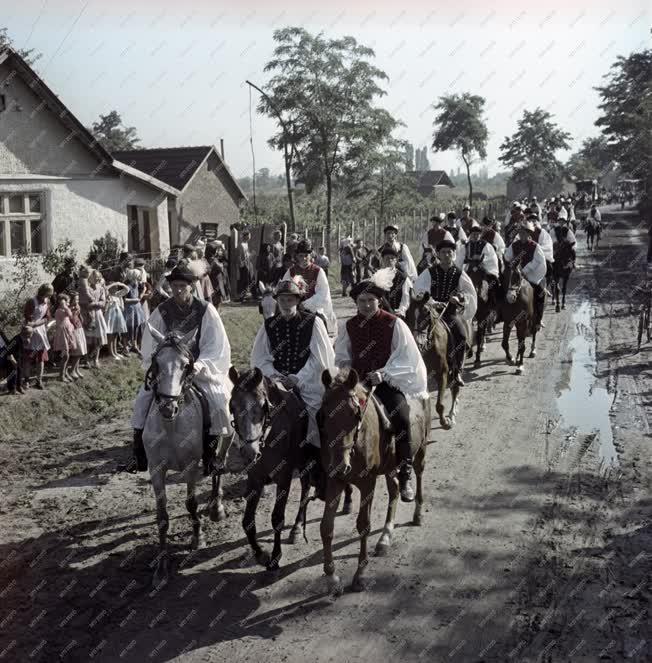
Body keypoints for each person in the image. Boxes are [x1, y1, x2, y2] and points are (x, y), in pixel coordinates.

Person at [334, 267, 429, 502]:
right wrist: (347, 375)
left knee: (403, 417)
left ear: (379, 300)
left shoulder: (394, 324)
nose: (366, 305)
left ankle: (405, 471)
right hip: (357, 385)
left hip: (385, 383)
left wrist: (385, 373)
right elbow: (342, 356)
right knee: (331, 415)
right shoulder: (348, 326)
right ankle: (330, 470)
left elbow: (407, 357)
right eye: (362, 301)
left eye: (371, 301)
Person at [130, 263, 233, 475]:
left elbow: (215, 344)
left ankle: (211, 455)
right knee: (143, 399)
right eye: (174, 286)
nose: (177, 290)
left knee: (218, 403)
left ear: (192, 286)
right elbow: (150, 342)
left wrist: (199, 366)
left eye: (182, 286)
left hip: (197, 368)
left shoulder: (206, 310)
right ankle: (139, 454)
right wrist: (159, 365)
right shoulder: (162, 311)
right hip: (170, 369)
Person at [250, 276, 336, 497]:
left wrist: (297, 378)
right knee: (257, 413)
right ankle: (262, 464)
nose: (286, 303)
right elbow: (260, 359)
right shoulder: (269, 325)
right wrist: (276, 376)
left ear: (298, 300)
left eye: (290, 299)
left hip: (308, 382)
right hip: (277, 382)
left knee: (317, 417)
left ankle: (319, 469)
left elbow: (320, 358)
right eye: (282, 300)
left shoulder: (312, 322)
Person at [414, 240, 477, 388]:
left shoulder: (459, 273)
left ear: (453, 254)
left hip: (450, 312)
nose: (446, 255)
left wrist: (458, 298)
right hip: (431, 310)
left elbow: (469, 293)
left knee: (461, 336)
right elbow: (419, 290)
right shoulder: (429, 272)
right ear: (438, 254)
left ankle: (457, 371)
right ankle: (419, 370)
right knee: (418, 332)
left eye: (449, 252)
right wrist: (432, 302)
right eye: (443, 252)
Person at [283, 239, 337, 335]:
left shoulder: (318, 271)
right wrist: (294, 303)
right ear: (297, 256)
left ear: (310, 255)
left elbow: (323, 293)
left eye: (306, 255)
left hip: (314, 308)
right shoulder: (291, 271)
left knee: (321, 324)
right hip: (294, 308)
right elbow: (284, 289)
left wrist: (306, 304)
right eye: (301, 256)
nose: (304, 258)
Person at [504, 221, 547, 331]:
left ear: (529, 234)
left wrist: (525, 270)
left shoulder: (535, 246)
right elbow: (507, 256)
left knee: (540, 293)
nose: (523, 235)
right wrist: (512, 264)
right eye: (521, 232)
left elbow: (539, 261)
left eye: (525, 233)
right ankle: (500, 314)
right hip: (516, 275)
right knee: (503, 287)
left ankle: (538, 320)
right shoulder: (514, 245)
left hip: (531, 275)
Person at [23, 283, 53, 390]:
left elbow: (47, 317)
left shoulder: (46, 301)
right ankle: (26, 380)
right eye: (47, 294)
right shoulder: (32, 301)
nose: (48, 297)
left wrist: (37, 323)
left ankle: (38, 380)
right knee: (28, 357)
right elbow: (28, 318)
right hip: (30, 332)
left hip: (41, 332)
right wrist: (33, 325)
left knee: (41, 358)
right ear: (42, 292)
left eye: (49, 295)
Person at [465, 221, 500, 307]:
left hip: (483, 268)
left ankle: (493, 302)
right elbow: (461, 258)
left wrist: (482, 261)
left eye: (477, 234)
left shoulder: (486, 245)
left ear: (480, 235)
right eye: (473, 234)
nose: (475, 236)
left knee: (492, 282)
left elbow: (492, 257)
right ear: (471, 235)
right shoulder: (466, 245)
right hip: (469, 267)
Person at [80, 268, 108, 368]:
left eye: (98, 278)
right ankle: (86, 360)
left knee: (98, 339)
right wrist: (94, 305)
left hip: (98, 314)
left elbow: (103, 302)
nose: (97, 279)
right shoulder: (85, 288)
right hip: (88, 315)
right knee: (88, 339)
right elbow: (83, 303)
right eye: (95, 277)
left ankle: (96, 359)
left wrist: (95, 304)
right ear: (90, 277)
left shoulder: (100, 287)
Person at [379, 246, 411, 317]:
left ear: (396, 260)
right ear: (383, 260)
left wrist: (401, 311)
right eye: (387, 258)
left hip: (397, 313)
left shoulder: (403, 278)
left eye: (392, 258)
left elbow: (405, 297)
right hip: (380, 312)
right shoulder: (377, 276)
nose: (390, 260)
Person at [53, 293, 77, 382]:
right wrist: (65, 306)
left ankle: (65, 373)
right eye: (67, 302)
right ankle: (61, 375)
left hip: (67, 332)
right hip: (62, 334)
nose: (68, 304)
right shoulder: (60, 310)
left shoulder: (64, 310)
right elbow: (70, 315)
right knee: (65, 355)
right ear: (61, 302)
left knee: (67, 354)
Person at [0, 327, 30, 394]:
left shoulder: (22, 339)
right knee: (13, 374)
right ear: (27, 334)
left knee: (19, 373)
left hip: (18, 359)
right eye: (31, 334)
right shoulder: (15, 340)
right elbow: (9, 351)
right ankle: (12, 389)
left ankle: (19, 387)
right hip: (11, 360)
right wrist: (13, 361)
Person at [124, 269, 145, 355]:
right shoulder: (128, 286)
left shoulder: (137, 285)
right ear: (133, 277)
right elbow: (124, 299)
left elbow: (141, 292)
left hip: (137, 308)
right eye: (138, 276)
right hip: (130, 309)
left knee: (136, 327)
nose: (139, 278)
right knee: (129, 328)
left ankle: (134, 345)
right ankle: (126, 347)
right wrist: (135, 300)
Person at [105, 282, 129, 360]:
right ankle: (111, 352)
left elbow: (127, 289)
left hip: (117, 315)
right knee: (110, 334)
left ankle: (115, 352)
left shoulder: (117, 294)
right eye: (114, 287)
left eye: (116, 287)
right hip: (110, 316)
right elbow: (105, 289)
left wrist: (120, 284)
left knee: (115, 334)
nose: (115, 289)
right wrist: (113, 284)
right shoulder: (107, 294)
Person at [68, 292, 87, 380]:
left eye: (78, 299)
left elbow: (79, 316)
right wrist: (73, 310)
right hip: (74, 330)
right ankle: (72, 370)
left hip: (79, 328)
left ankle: (76, 369)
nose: (77, 301)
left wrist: (80, 315)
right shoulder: (69, 309)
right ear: (71, 300)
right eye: (75, 299)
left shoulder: (77, 307)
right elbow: (70, 318)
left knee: (80, 351)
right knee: (77, 351)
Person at [237, 228, 256, 302]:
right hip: (244, 264)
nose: (249, 237)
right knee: (244, 281)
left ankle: (251, 295)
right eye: (248, 236)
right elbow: (239, 256)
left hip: (248, 263)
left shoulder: (246, 244)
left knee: (250, 279)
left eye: (249, 236)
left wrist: (251, 254)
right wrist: (241, 264)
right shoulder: (241, 245)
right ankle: (241, 297)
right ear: (244, 236)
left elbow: (247, 254)